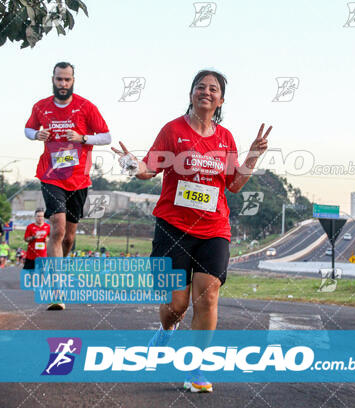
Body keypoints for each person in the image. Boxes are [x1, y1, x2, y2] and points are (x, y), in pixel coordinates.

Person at [112, 69, 272, 393]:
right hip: (173, 227)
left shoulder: (225, 138)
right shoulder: (172, 130)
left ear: (221, 100)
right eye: (201, 87)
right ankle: (166, 331)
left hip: (214, 228)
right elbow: (148, 169)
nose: (206, 92)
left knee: (208, 295)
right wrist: (132, 165)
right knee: (177, 305)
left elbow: (235, 185)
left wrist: (253, 155)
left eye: (214, 89)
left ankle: (196, 370)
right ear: (191, 95)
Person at [25, 61, 111, 309]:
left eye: (67, 80)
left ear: (73, 80)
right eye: (59, 79)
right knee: (58, 227)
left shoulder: (86, 106)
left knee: (69, 237)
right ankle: (56, 290)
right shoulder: (41, 107)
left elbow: (106, 136)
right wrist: (36, 135)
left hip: (79, 179)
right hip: (51, 175)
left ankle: (61, 263)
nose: (63, 84)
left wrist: (83, 138)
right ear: (52, 79)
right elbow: (28, 128)